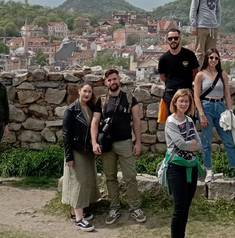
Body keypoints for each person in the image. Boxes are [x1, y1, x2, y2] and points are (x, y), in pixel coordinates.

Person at [91, 69, 146, 225]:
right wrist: (94, 142)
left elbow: (136, 120)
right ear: (105, 82)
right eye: (109, 80)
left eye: (114, 79)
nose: (112, 82)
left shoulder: (129, 98)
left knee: (130, 176)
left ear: (119, 80)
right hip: (107, 144)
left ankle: (134, 207)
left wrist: (138, 142)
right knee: (110, 177)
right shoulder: (101, 101)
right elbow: (95, 122)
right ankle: (114, 207)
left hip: (125, 142)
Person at [193, 48, 235, 183]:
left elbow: (227, 94)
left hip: (220, 106)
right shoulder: (200, 75)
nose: (213, 60)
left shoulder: (223, 74)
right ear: (207, 59)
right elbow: (196, 96)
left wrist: (230, 110)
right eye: (211, 58)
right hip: (206, 106)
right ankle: (208, 169)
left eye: (216, 58)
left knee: (228, 140)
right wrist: (201, 114)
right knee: (207, 140)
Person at [62, 82, 101, 232]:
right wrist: (68, 155)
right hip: (76, 150)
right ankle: (79, 219)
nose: (87, 94)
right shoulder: (71, 110)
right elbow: (66, 134)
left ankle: (75, 213)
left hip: (87, 150)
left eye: (89, 92)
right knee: (78, 182)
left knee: (84, 181)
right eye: (84, 91)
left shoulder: (90, 107)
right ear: (79, 91)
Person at [165, 89, 204, 238]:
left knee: (186, 206)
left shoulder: (189, 121)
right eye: (181, 100)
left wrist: (191, 145)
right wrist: (191, 145)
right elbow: (180, 144)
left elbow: (199, 144)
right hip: (177, 167)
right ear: (175, 102)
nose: (184, 104)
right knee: (179, 207)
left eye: (187, 101)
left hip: (191, 166)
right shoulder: (171, 121)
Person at [157, 28, 199, 123]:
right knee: (172, 122)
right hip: (171, 93)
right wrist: (172, 83)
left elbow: (195, 72)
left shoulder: (189, 55)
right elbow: (162, 76)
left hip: (186, 92)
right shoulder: (164, 59)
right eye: (170, 38)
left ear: (180, 39)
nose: (173, 41)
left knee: (189, 120)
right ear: (167, 40)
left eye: (175, 38)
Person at [189, 0, 221, 67]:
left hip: (213, 27)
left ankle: (210, 74)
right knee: (200, 53)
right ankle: (199, 74)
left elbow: (218, 9)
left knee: (211, 54)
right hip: (201, 26)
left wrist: (218, 23)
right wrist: (194, 25)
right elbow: (193, 9)